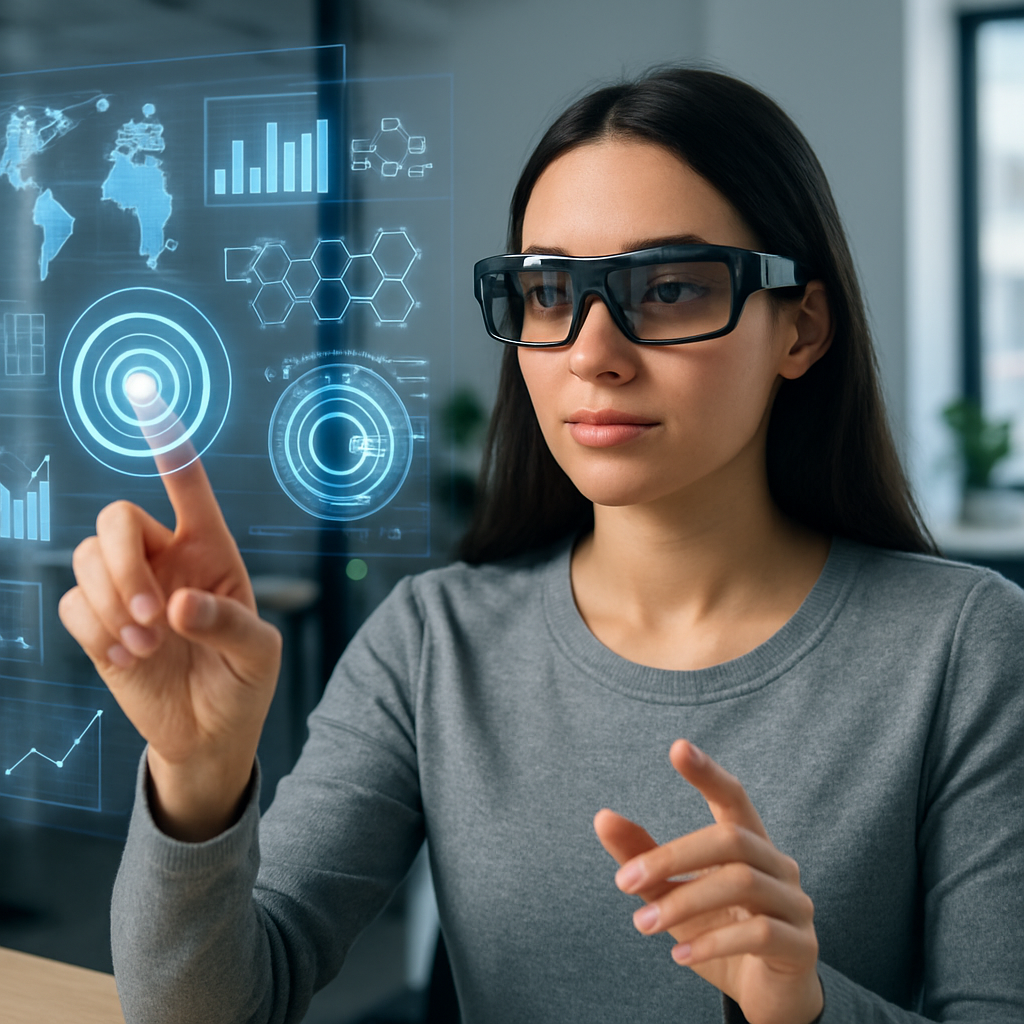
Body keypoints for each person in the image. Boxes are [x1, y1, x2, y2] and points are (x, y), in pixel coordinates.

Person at [59, 67, 1024, 1024]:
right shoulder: (432, 641)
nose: (594, 353)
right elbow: (219, 1008)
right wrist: (195, 778)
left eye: (674, 287)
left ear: (801, 328)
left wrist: (804, 1011)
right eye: (551, 292)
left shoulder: (962, 648)